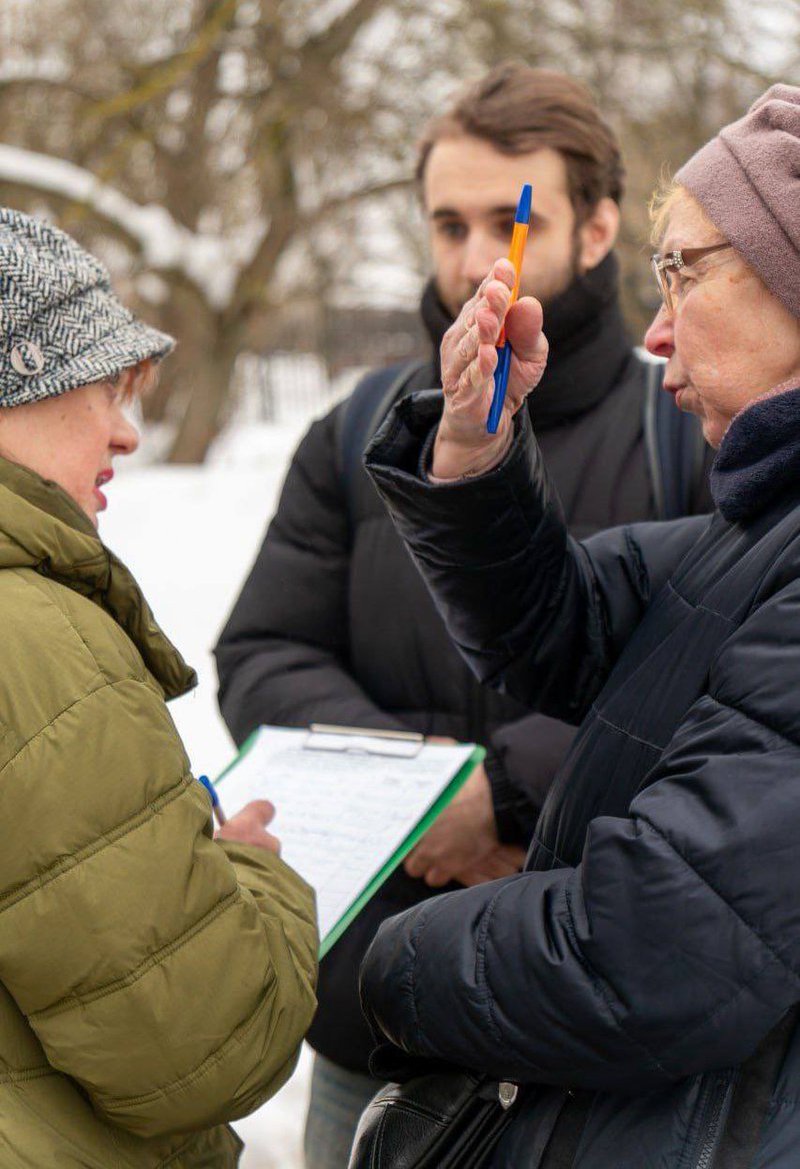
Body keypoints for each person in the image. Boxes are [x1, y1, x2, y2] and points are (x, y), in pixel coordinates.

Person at [214, 64, 712, 1166]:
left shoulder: (685, 429)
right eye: (447, 222)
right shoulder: (358, 432)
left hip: (601, 1043)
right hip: (370, 1023)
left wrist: (506, 792)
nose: (470, 254)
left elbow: (722, 682)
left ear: (593, 227)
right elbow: (263, 652)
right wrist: (424, 797)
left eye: (507, 218)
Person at [358, 84, 800, 1166]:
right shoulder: (758, 526)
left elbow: (653, 950)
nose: (653, 330)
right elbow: (559, 625)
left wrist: (394, 961)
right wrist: (472, 453)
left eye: (682, 272)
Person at [0, 208, 318, 1168]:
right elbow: (203, 1045)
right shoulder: (36, 640)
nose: (126, 433)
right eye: (104, 389)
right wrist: (247, 871)